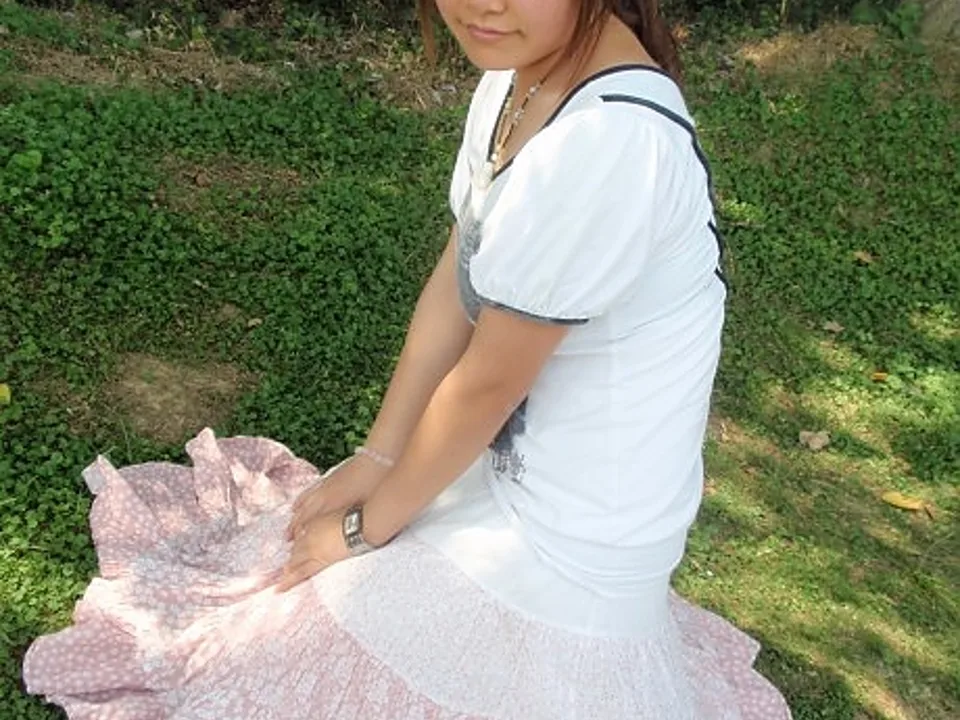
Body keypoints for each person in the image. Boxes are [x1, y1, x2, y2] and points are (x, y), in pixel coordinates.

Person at [23, 0, 793, 718]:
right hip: (495, 472)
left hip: (570, 537)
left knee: (311, 620)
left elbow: (488, 383)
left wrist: (365, 529)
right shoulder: (517, 76)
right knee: (289, 592)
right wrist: (378, 457)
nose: (480, 5)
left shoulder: (608, 145)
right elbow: (459, 277)